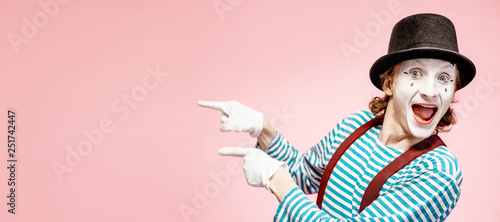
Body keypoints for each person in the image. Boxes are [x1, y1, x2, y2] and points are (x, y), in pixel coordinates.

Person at [198, 13, 475, 221]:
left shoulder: (439, 172)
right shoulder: (353, 127)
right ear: (388, 84)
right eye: (415, 73)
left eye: (444, 78)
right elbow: (304, 175)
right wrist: (263, 128)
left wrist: (275, 178)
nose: (430, 91)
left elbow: (286, 181)